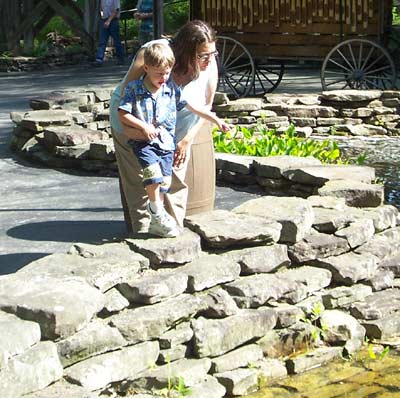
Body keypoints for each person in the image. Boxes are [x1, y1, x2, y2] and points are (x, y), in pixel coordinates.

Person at [110, 20, 220, 236]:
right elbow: (126, 97)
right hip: (133, 125)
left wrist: (187, 140)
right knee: (144, 184)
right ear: (185, 51)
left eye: (213, 54)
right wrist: (138, 132)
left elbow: (207, 104)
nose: (209, 60)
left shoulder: (209, 64)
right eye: (202, 56)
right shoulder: (154, 53)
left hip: (174, 133)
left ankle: (173, 236)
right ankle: (143, 238)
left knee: (173, 183)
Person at [94, 0, 125, 66]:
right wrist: (102, 17)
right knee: (102, 41)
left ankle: (120, 59)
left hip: (113, 20)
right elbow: (101, 9)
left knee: (116, 41)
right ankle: (99, 60)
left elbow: (116, 10)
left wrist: (109, 21)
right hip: (104, 19)